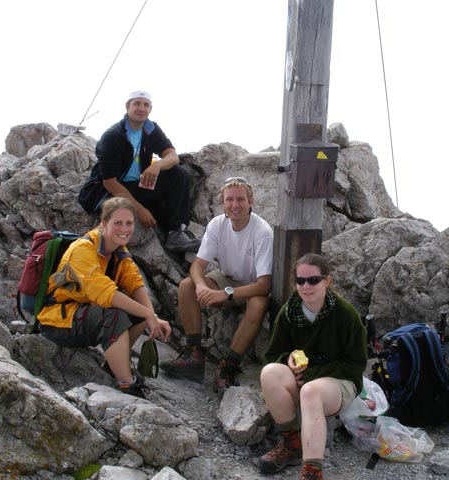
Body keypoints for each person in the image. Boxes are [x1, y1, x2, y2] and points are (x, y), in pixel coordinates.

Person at [37, 196, 172, 398]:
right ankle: (127, 384)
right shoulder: (82, 250)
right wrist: (148, 314)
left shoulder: (118, 250)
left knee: (137, 313)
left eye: (129, 223)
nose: (124, 229)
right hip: (57, 320)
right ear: (103, 224)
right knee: (114, 317)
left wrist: (150, 315)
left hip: (82, 314)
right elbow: (106, 294)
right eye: (118, 223)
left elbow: (134, 283)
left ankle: (114, 364)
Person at [258, 253, 367, 480]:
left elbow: (355, 365)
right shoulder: (290, 312)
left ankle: (312, 471)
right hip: (305, 378)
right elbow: (273, 353)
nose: (306, 286)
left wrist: (310, 375)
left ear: (327, 280)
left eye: (313, 280)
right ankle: (292, 442)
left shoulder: (345, 314)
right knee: (269, 373)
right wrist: (287, 360)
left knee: (311, 391)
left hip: (340, 383)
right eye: (300, 281)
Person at [160, 177, 273, 391]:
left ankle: (229, 364)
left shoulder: (262, 232)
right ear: (223, 203)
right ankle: (194, 354)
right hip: (227, 277)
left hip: (252, 286)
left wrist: (226, 294)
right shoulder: (217, 224)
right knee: (187, 286)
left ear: (251, 202)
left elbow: (264, 285)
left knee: (258, 304)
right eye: (229, 199)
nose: (235, 205)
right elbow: (197, 266)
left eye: (240, 199)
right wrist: (201, 286)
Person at [84, 89, 200, 253]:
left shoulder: (150, 129)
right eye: (137, 103)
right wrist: (140, 210)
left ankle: (176, 234)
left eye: (146, 105)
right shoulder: (113, 136)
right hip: (109, 192)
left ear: (150, 109)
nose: (141, 108)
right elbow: (110, 182)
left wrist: (156, 166)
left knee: (179, 174)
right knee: (155, 207)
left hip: (137, 185)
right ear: (127, 106)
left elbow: (173, 156)